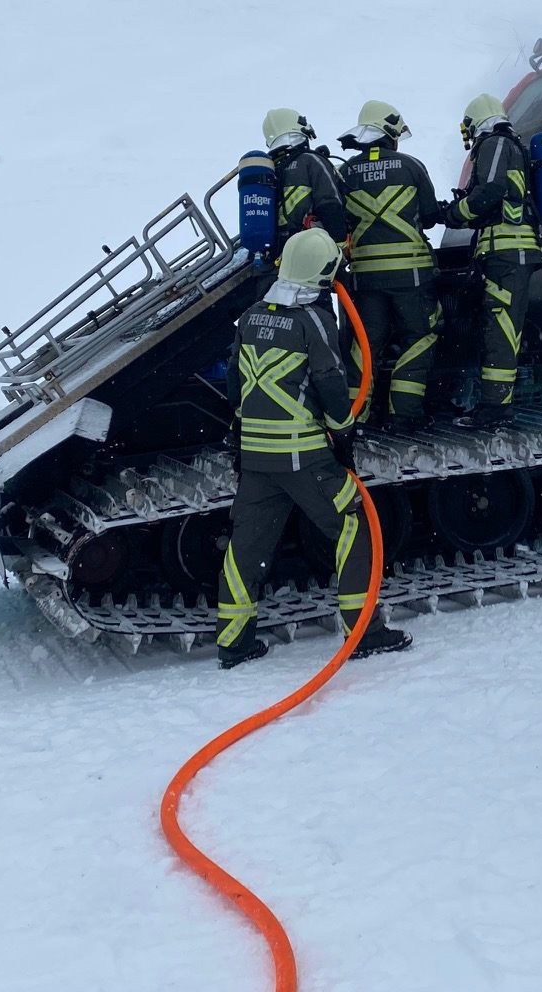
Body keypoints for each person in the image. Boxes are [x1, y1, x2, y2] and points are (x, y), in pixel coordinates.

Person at [218, 228, 411, 669]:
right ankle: (364, 633)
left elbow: (234, 381)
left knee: (247, 544)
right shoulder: (315, 321)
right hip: (303, 455)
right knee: (352, 528)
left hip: (255, 457)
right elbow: (330, 384)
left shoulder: (249, 317)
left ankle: (233, 641)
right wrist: (343, 436)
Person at [335, 100, 443, 427]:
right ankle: (405, 414)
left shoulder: (343, 173)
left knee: (365, 346)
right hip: (411, 275)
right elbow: (431, 217)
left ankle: (356, 416)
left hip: (366, 279)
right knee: (420, 335)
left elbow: (337, 221)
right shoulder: (411, 166)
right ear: (390, 134)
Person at [440, 93, 542, 428]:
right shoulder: (509, 144)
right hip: (509, 252)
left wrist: (454, 213)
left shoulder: (495, 143)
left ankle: (495, 411)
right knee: (500, 327)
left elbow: (490, 191)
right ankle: (494, 406)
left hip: (507, 252)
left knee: (500, 330)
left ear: (477, 121)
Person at [261, 108, 349, 258]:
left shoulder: (270, 169)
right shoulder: (311, 160)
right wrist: (340, 245)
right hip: (312, 250)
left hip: (280, 252)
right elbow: (329, 203)